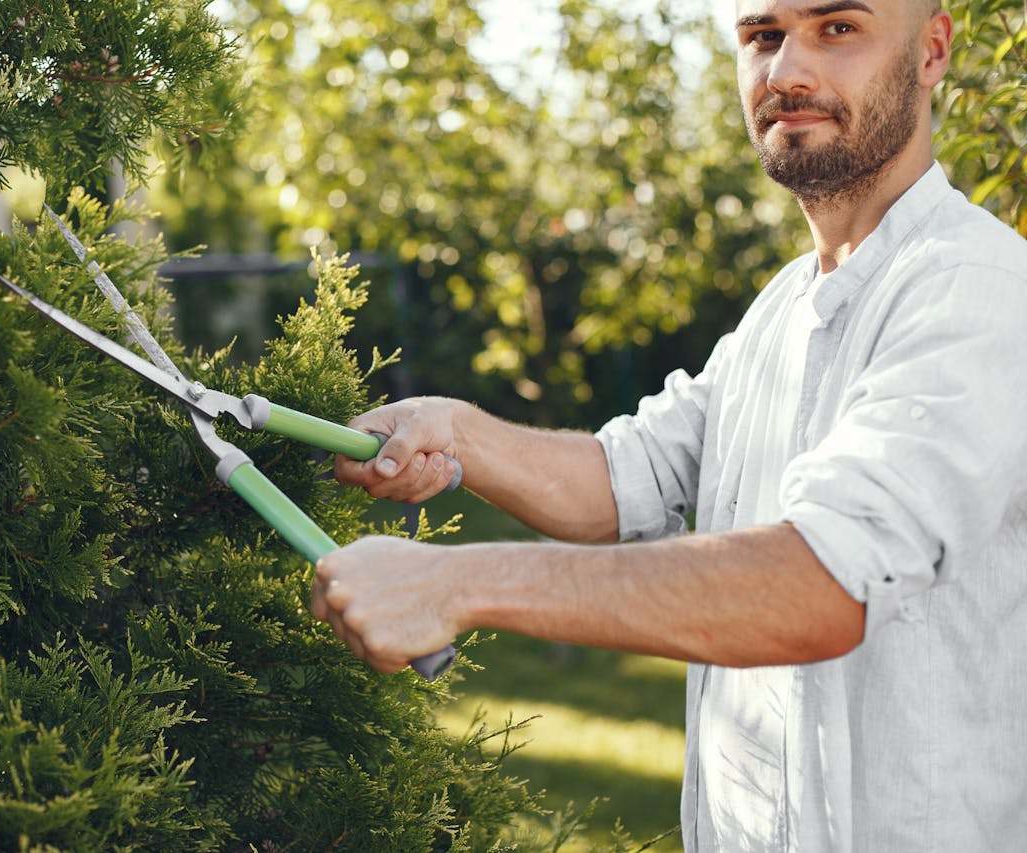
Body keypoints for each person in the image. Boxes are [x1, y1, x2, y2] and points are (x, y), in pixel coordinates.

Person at [310, 1, 1027, 850]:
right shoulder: (782, 310)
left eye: (839, 28)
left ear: (931, 50)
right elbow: (627, 474)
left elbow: (823, 585)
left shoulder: (977, 291)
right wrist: (456, 428)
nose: (788, 71)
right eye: (762, 36)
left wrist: (457, 583)